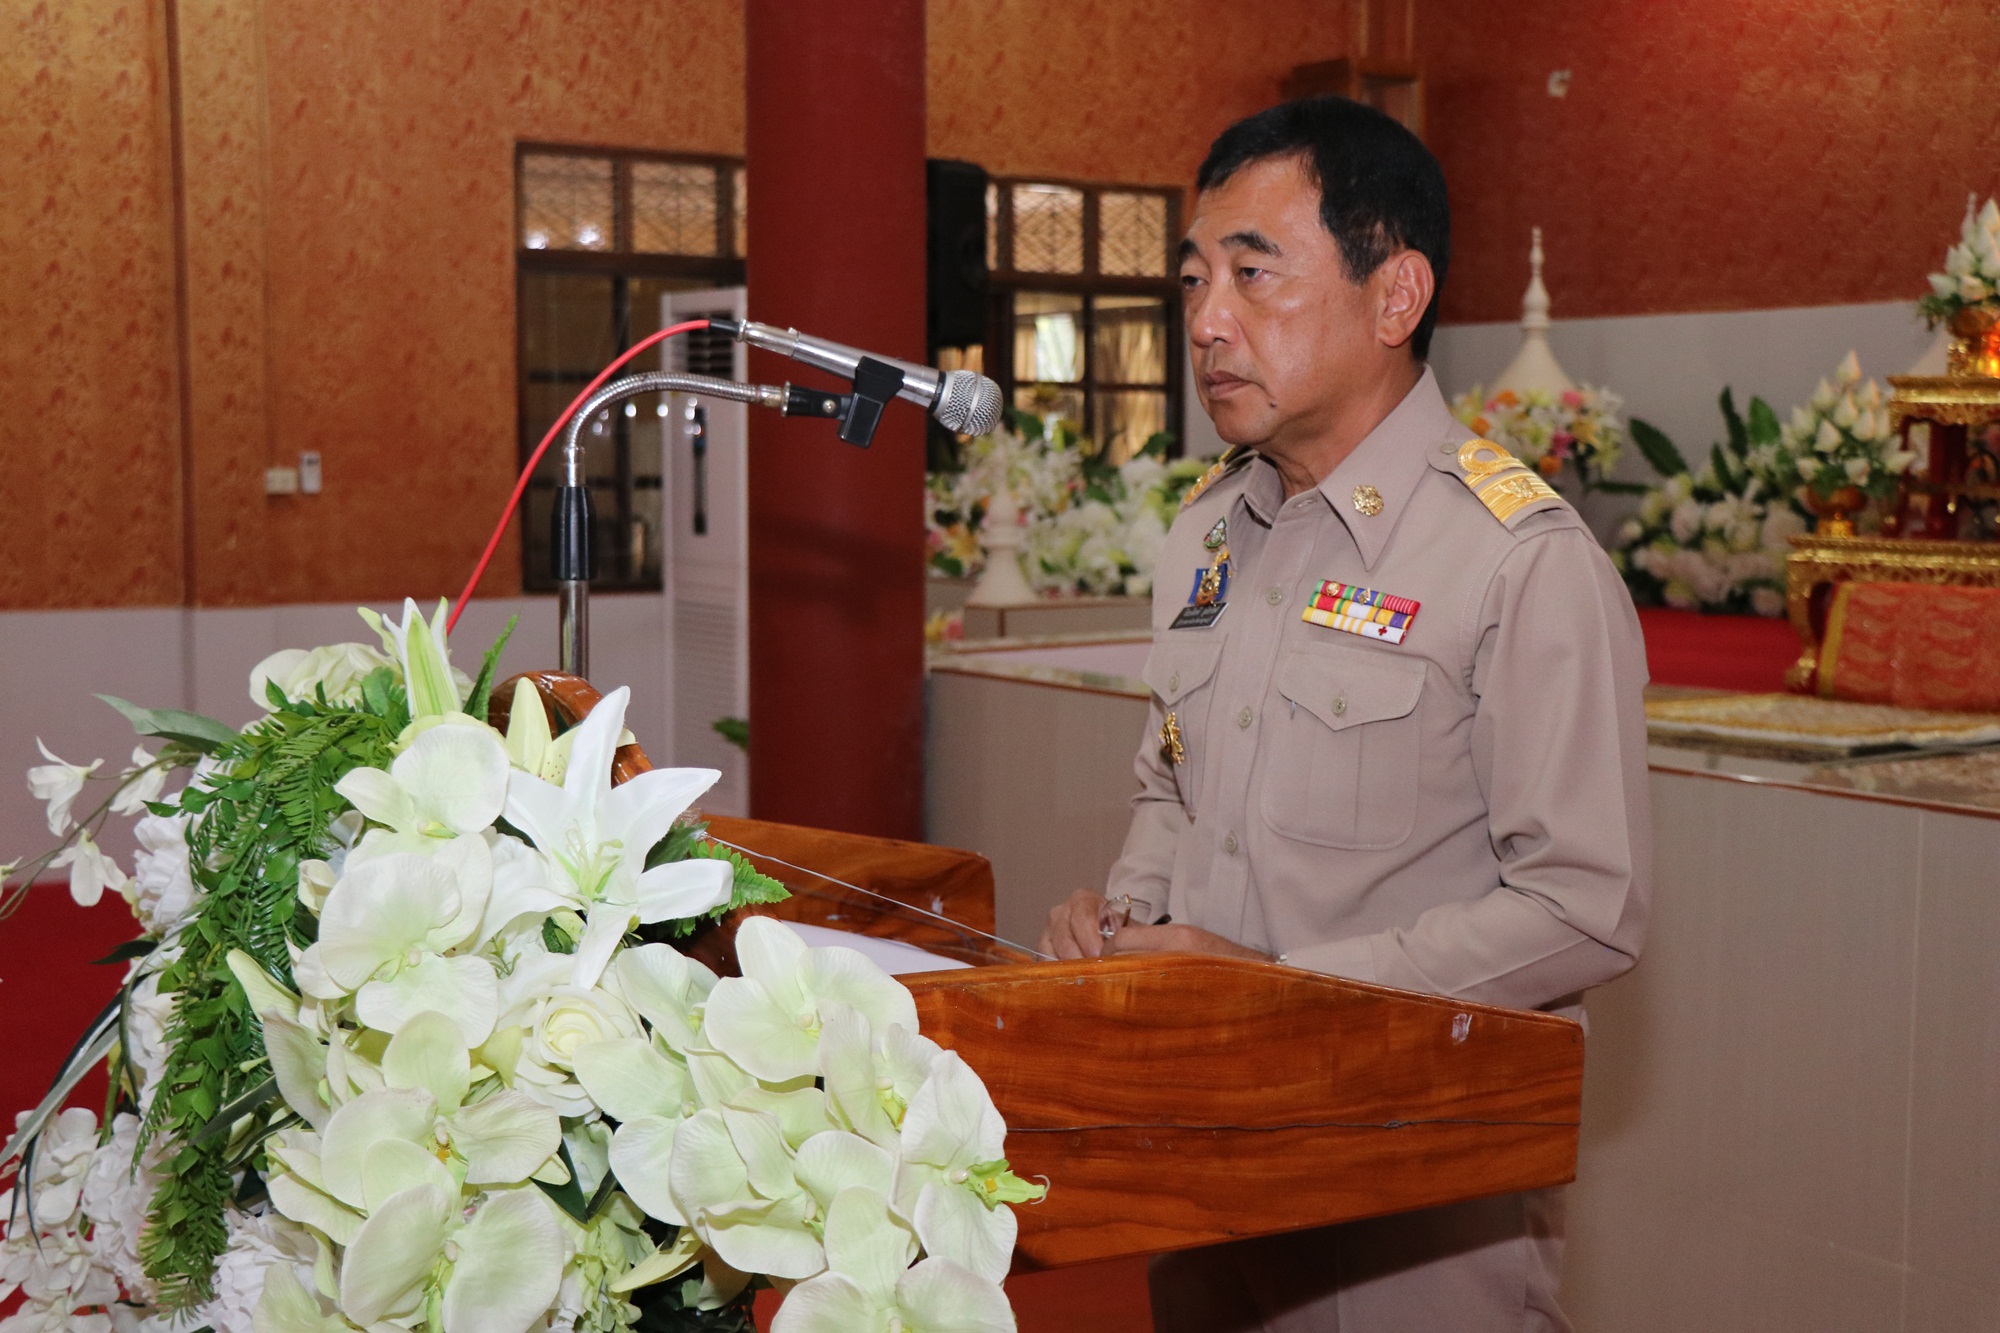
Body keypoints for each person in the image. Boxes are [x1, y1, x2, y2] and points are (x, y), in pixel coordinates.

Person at [1036, 96, 1651, 1332]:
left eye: (1253, 273)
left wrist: (1278, 991)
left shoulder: (1513, 559)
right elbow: (1169, 785)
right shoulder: (1207, 533)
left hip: (1405, 1188)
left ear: (1394, 295)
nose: (1206, 320)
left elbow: (1583, 905)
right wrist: (1128, 926)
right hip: (1200, 1151)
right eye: (1195, 278)